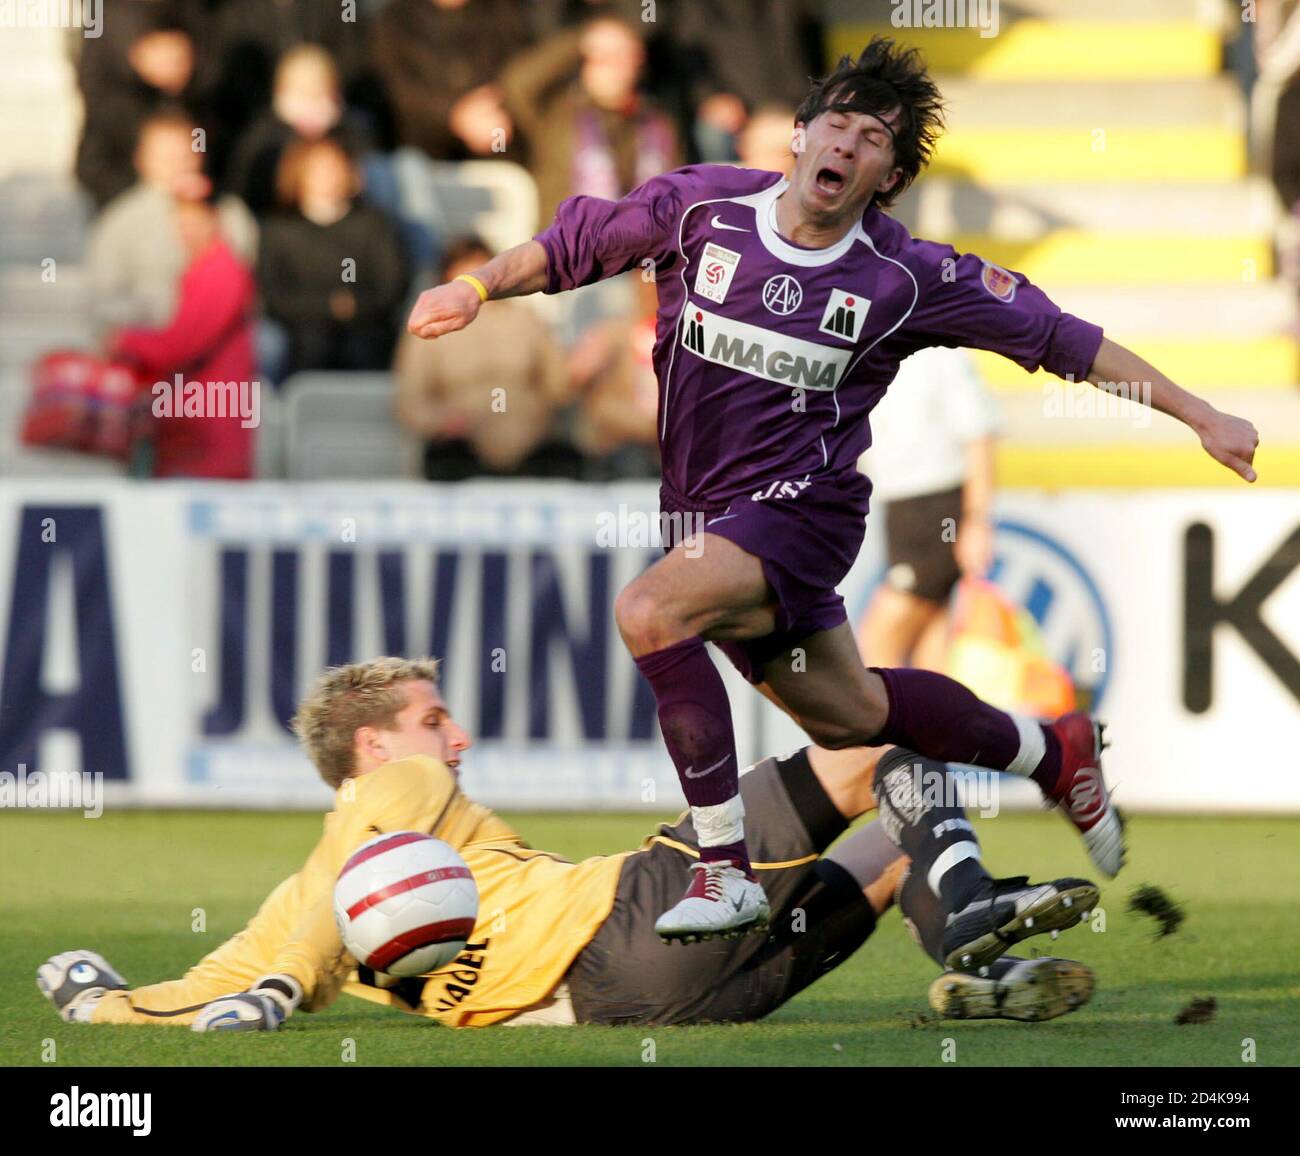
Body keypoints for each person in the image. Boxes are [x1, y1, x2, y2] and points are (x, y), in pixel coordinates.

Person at [405, 38, 1259, 942]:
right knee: (855, 715)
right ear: (801, 135)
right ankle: (1053, 751)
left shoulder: (908, 276)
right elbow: (576, 242)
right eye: (838, 124)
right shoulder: (702, 208)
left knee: (649, 613)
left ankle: (723, 870)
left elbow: (1064, 339)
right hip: (702, 520)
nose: (848, 146)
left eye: (875, 140)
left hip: (804, 516)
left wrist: (1198, 414)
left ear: (888, 178)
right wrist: (477, 286)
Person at [37, 657, 1098, 1032]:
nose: (455, 736)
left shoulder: (313, 896)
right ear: (376, 742)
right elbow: (279, 958)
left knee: (893, 837)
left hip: (644, 1002)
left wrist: (106, 996)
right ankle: (972, 921)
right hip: (632, 920)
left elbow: (220, 974)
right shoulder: (398, 791)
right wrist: (272, 992)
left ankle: (984, 975)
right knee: (873, 741)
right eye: (432, 717)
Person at [856, 346, 1001, 670]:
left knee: (878, 642)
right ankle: (932, 720)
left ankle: (880, 722)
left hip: (937, 507)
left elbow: (980, 436)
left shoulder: (943, 355)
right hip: (901, 506)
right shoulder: (873, 346)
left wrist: (977, 520)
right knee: (931, 648)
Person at [393, 237, 582, 480]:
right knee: (445, 460)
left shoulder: (527, 321)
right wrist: (441, 422)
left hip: (530, 445)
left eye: (481, 267)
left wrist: (576, 371)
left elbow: (559, 387)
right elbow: (411, 398)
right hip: (463, 449)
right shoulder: (432, 327)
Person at [108, 196, 257, 479]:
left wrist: (126, 341)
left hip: (208, 428)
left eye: (194, 221)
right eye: (181, 222)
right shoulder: (201, 270)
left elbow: (179, 345)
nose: (186, 231)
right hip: (190, 425)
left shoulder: (222, 272)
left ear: (215, 221)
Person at [85, 109, 257, 338]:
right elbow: (103, 299)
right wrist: (158, 317)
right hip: (149, 341)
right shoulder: (120, 221)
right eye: (166, 156)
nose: (177, 164)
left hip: (219, 336)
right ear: (141, 159)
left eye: (184, 154)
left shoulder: (228, 212)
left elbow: (245, 282)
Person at [501, 14, 679, 224]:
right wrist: (580, 40)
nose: (616, 67)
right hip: (562, 248)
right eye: (605, 57)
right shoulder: (556, 113)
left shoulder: (657, 125)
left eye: (624, 57)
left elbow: (676, 196)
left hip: (638, 250)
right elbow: (516, 85)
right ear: (585, 62)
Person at [257, 136, 409, 380]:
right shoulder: (278, 229)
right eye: (318, 168)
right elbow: (273, 295)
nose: (328, 176)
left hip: (367, 330)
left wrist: (355, 306)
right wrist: (328, 307)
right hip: (301, 335)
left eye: (335, 166)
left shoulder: (373, 224)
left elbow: (392, 285)